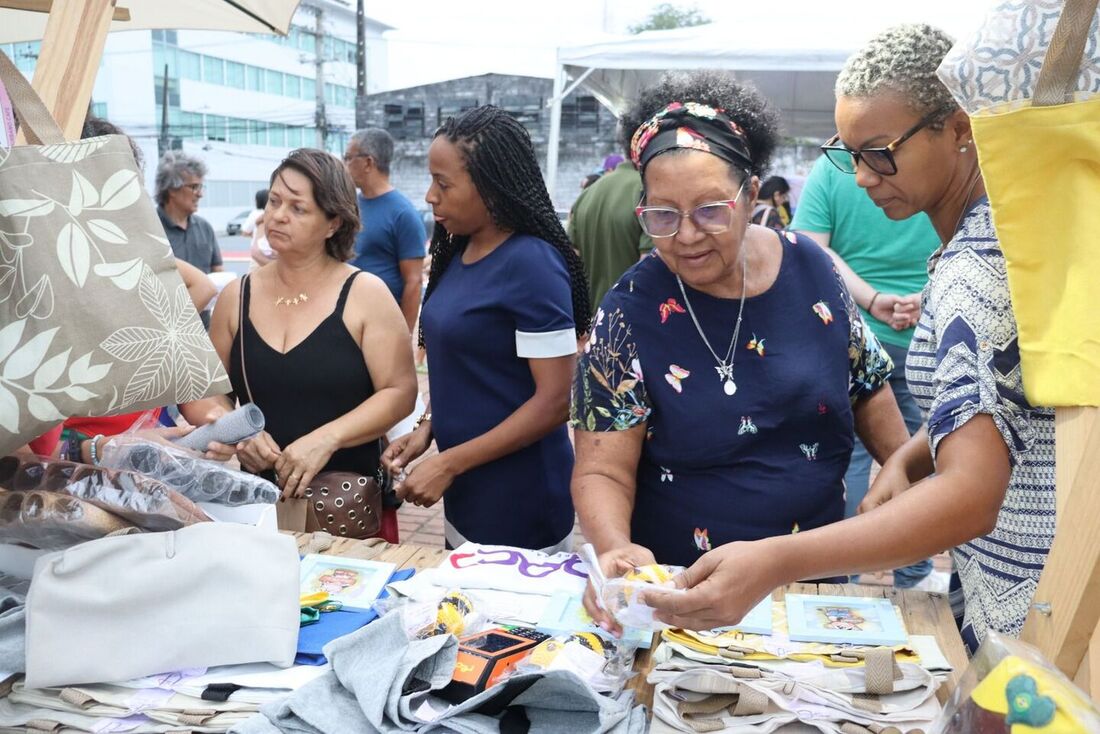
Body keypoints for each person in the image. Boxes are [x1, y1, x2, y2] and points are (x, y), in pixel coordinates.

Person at [645, 25, 1055, 654]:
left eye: (881, 152)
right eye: (850, 152)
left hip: (1027, 601)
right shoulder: (1001, 232)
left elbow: (971, 497)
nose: (862, 177)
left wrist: (777, 562)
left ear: (959, 129)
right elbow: (1011, 402)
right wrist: (910, 458)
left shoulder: (975, 267)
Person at [572, 71, 909, 620]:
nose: (685, 234)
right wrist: (614, 545)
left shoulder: (814, 268)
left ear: (750, 194)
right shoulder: (628, 311)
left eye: (710, 209)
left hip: (813, 588)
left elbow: (868, 385)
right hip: (687, 594)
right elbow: (601, 468)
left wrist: (902, 468)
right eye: (662, 214)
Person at [381, 105, 591, 552]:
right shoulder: (459, 253)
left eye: (443, 183)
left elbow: (555, 402)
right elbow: (472, 368)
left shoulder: (532, 262)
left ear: (491, 187)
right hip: (467, 494)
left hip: (520, 501)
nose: (430, 196)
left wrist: (450, 463)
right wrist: (429, 428)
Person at [182, 148, 418, 543]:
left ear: (333, 223)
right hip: (260, 509)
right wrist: (235, 430)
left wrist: (327, 438)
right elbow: (202, 391)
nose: (277, 215)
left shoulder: (364, 293)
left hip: (349, 506)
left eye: (298, 208)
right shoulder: (236, 296)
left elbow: (400, 391)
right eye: (274, 201)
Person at [792, 140, 945, 592]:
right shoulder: (927, 158)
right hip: (927, 334)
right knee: (922, 451)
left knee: (853, 456)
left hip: (848, 333)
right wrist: (923, 298)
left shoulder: (831, 169)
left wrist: (870, 300)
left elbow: (811, 248)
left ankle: (847, 570)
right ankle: (914, 569)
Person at [344, 128, 426, 332]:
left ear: (368, 162)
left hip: (382, 325)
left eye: (348, 158)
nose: (344, 165)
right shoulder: (348, 205)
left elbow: (413, 282)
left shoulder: (403, 213)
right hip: (347, 318)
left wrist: (403, 335)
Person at [568, 132, 653, 314]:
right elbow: (648, 267)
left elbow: (571, 262)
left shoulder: (587, 194)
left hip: (591, 322)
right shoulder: (649, 193)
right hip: (630, 320)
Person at [155, 151, 222, 274]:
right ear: (172, 189)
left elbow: (218, 271)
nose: (200, 194)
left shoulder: (205, 228)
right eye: (194, 187)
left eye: (201, 187)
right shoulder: (151, 229)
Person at [243, 188, 274, 267]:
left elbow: (245, 232)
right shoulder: (274, 213)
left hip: (258, 255)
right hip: (273, 254)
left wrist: (254, 234)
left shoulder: (255, 214)